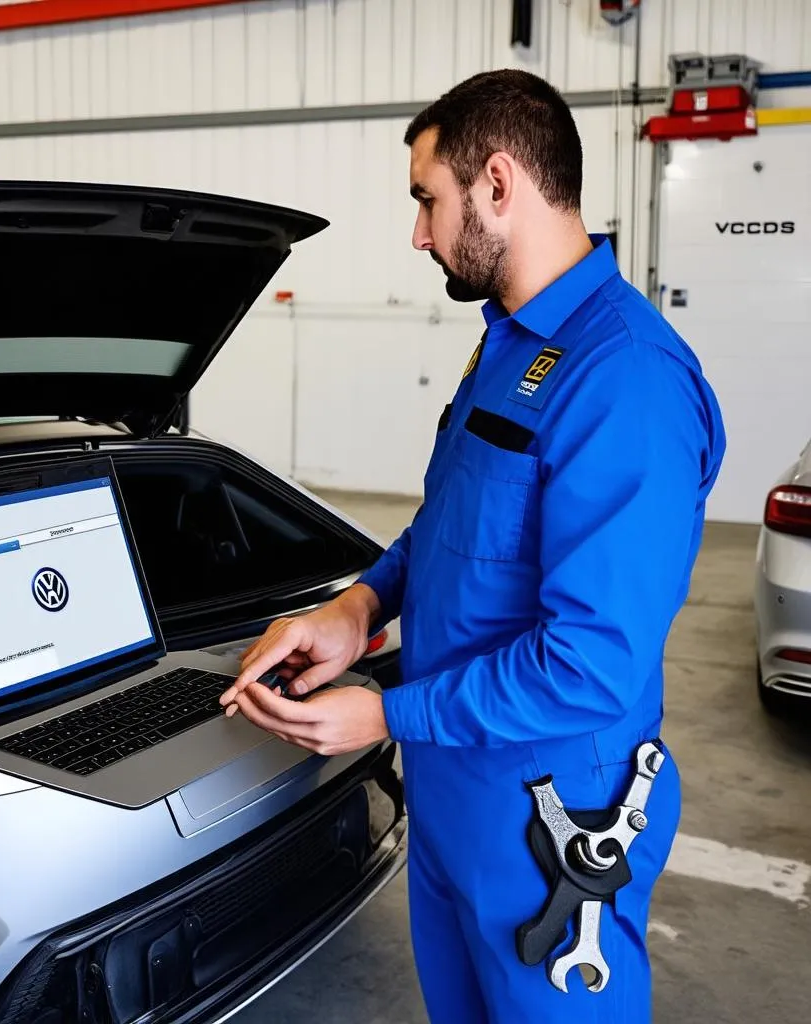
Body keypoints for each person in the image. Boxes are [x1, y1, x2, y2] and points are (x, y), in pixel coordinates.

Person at [218, 69, 725, 1023]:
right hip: (457, 782)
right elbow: (456, 524)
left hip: (551, 818)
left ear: (497, 184)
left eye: (427, 199)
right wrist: (358, 606)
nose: (419, 234)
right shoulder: (509, 345)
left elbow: (591, 667)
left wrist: (384, 716)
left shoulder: (627, 383)